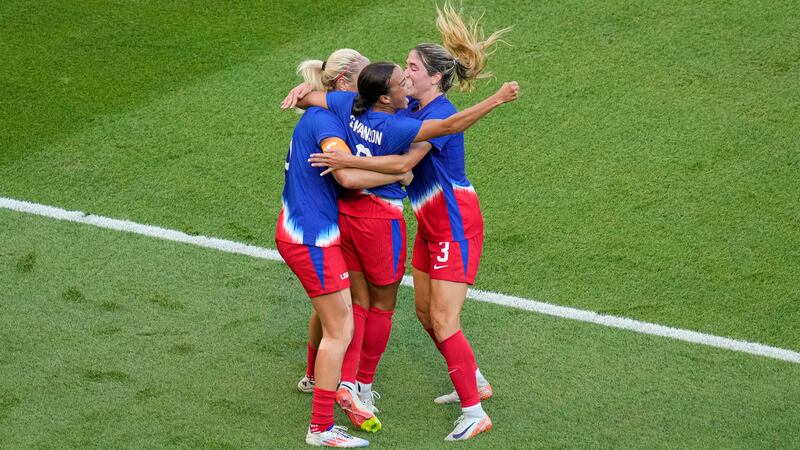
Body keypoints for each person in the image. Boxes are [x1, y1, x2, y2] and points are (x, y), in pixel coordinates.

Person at [293, 57, 518, 440]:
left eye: (413, 67)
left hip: (455, 225)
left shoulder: (435, 114)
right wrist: (303, 93)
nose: (407, 73)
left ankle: (473, 412)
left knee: (444, 319)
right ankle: (474, 380)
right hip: (430, 226)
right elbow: (334, 106)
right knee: (426, 314)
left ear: (434, 77)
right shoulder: (408, 109)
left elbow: (409, 161)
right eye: (404, 70)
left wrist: (497, 99)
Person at [276, 49, 413, 448]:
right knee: (342, 327)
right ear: (343, 83)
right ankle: (320, 427)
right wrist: (399, 168)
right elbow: (349, 176)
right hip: (312, 239)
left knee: (329, 312)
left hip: (301, 232)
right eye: (364, 77)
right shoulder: (326, 123)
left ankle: (311, 376)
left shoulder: (325, 112)